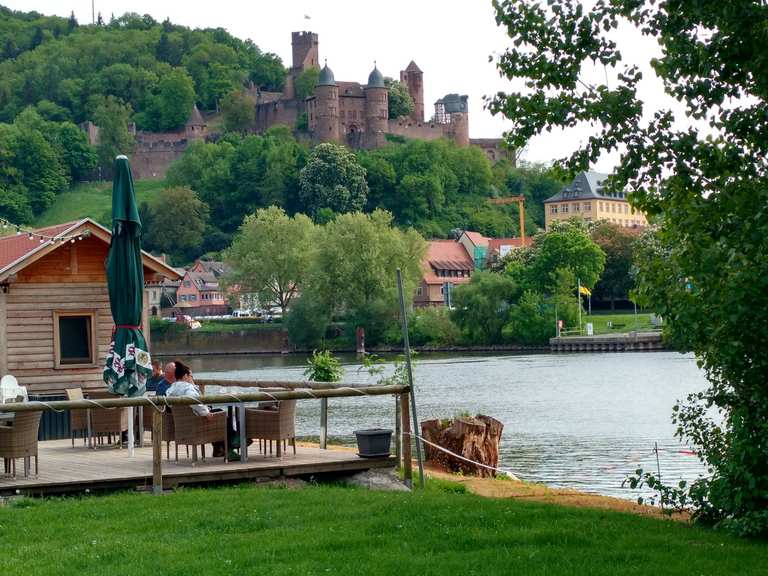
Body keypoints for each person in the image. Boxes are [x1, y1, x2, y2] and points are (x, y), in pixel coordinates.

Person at [166, 360, 237, 460]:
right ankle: (231, 445)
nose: (192, 378)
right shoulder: (187, 388)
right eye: (191, 375)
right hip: (196, 423)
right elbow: (194, 401)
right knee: (222, 414)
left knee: (217, 412)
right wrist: (206, 412)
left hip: (183, 425)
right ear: (185, 375)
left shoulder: (171, 390)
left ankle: (219, 448)